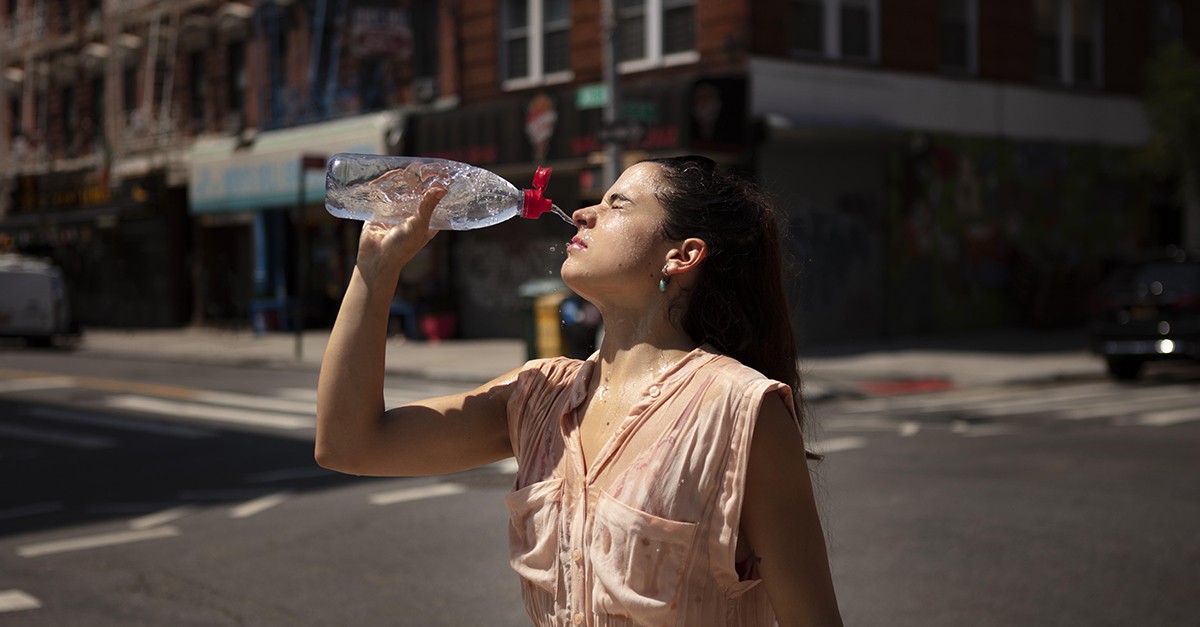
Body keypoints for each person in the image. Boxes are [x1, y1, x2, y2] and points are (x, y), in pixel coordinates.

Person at [316, 156, 843, 626]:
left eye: (618, 203)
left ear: (681, 255)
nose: (584, 213)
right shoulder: (536, 396)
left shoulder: (740, 409)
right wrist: (375, 269)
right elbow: (349, 445)